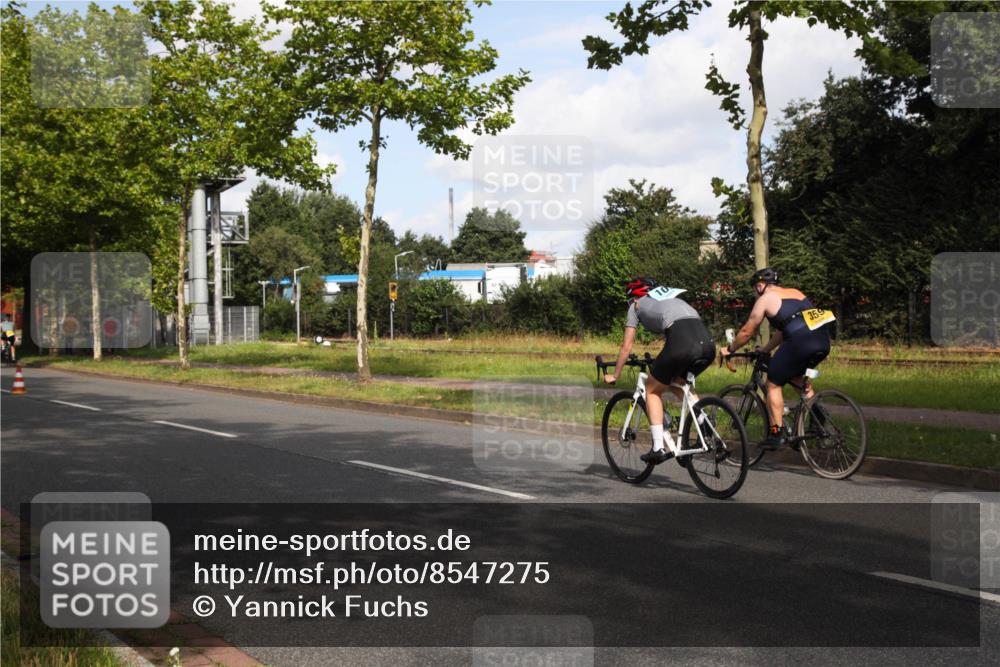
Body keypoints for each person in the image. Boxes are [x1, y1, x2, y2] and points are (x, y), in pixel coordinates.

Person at [604, 277, 716, 465]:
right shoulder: (673, 300)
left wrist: (615, 375)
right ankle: (705, 424)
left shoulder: (636, 305)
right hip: (707, 344)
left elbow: (626, 347)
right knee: (678, 382)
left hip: (683, 343)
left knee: (652, 389)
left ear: (633, 297)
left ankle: (658, 447)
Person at [720, 267, 833, 450]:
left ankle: (776, 432)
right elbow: (787, 328)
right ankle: (817, 416)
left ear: (760, 286)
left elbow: (747, 331)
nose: (754, 293)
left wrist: (730, 349)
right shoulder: (796, 293)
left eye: (754, 289)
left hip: (800, 341)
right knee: (796, 378)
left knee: (773, 384)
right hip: (822, 341)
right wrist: (765, 349)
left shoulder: (765, 299)